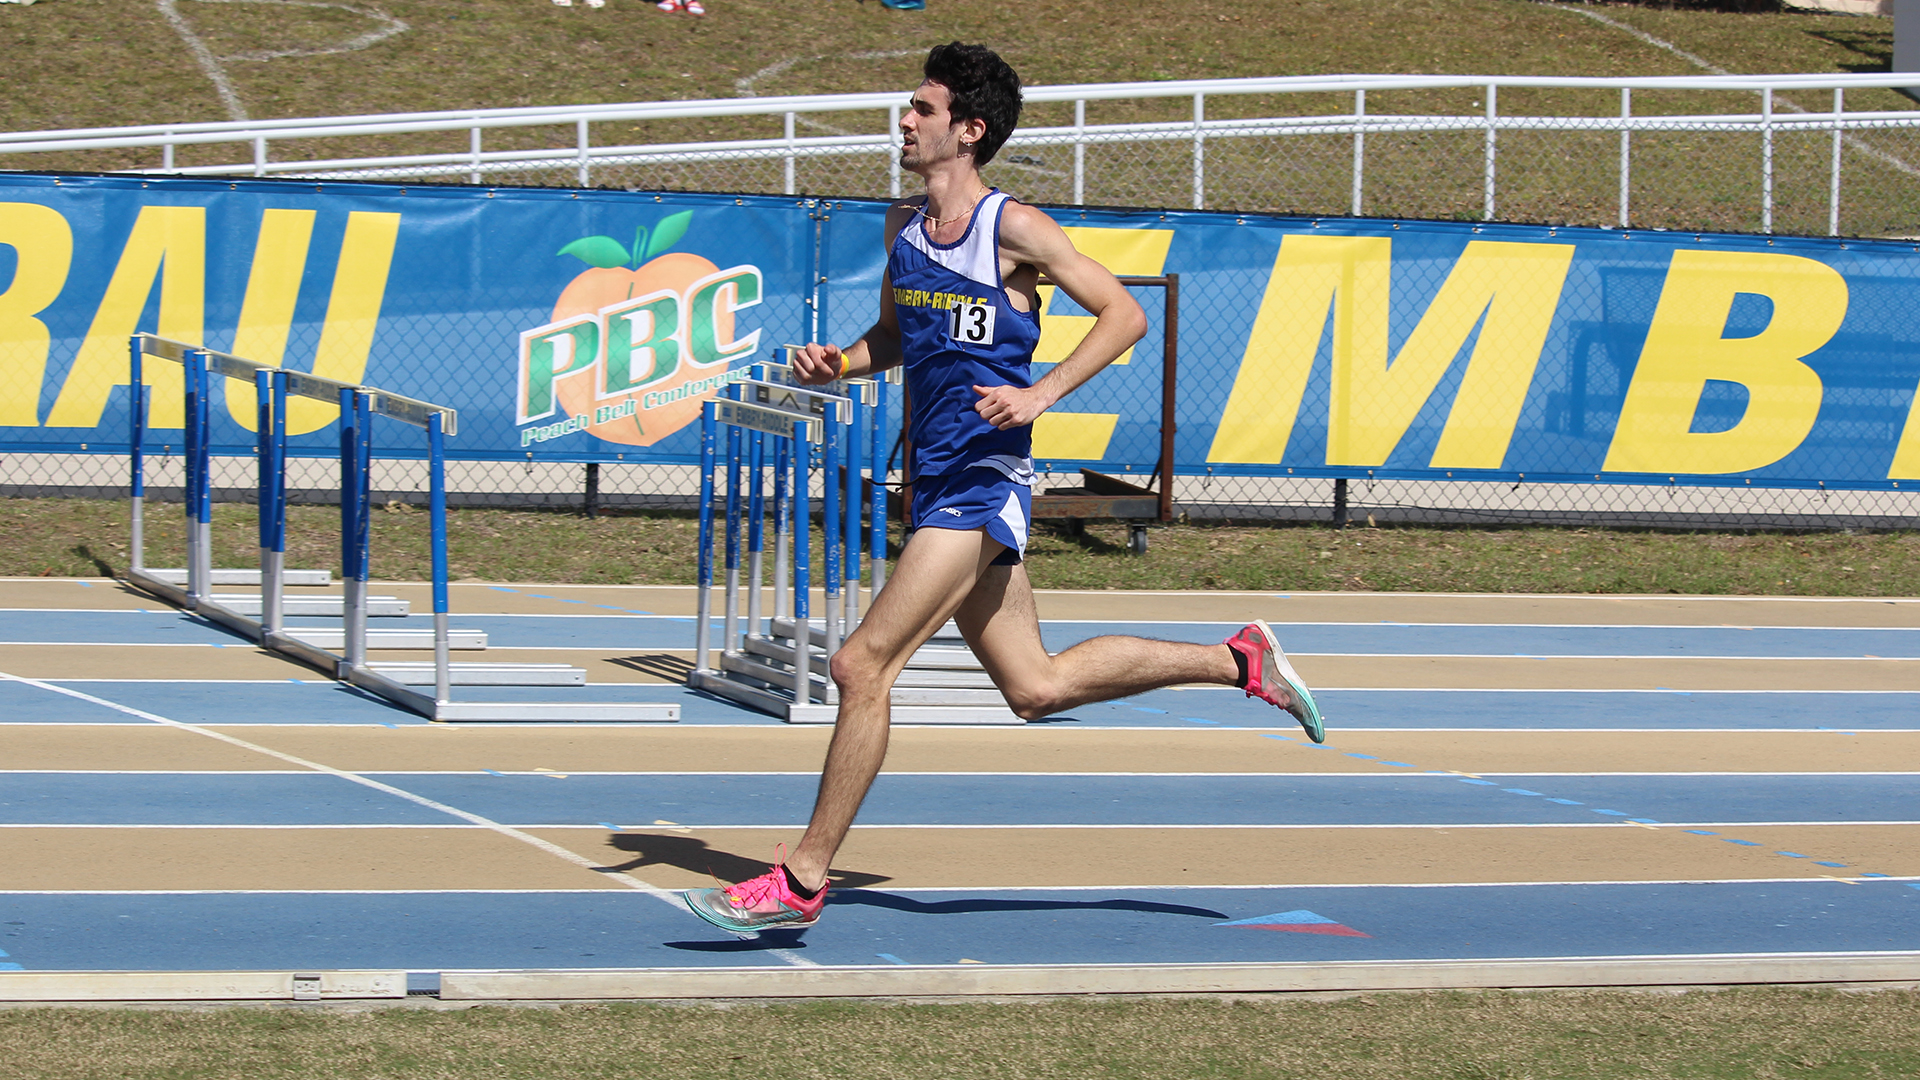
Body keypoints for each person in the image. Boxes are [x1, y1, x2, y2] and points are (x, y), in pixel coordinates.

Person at [683, 42, 1323, 934]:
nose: (905, 120)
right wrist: (842, 363)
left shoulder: (1013, 229)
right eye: (909, 106)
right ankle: (1238, 660)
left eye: (923, 109)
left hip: (982, 481)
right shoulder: (901, 229)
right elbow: (898, 336)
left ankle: (802, 877)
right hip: (933, 477)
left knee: (861, 665)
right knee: (1035, 688)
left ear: (969, 130)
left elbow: (1125, 314)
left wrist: (1040, 393)